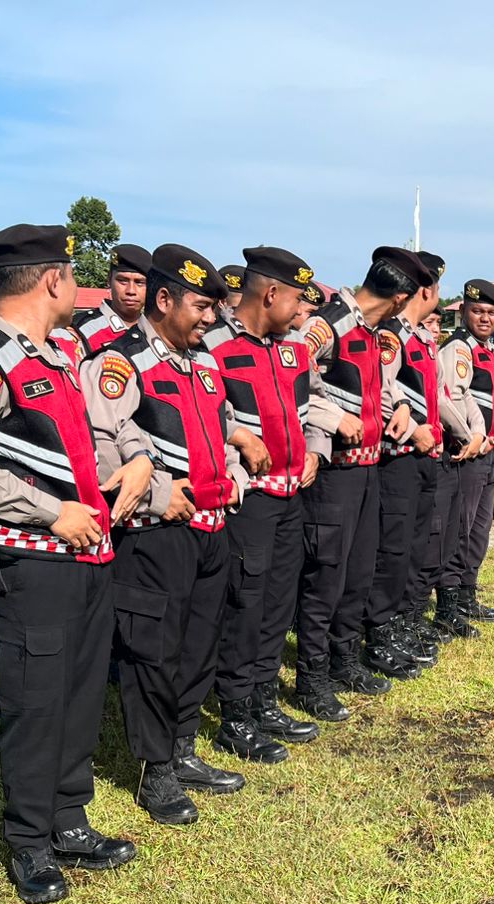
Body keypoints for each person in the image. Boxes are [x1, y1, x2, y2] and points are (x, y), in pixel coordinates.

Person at [0, 223, 138, 904]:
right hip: (31, 562)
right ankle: (28, 841)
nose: (77, 288)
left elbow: (74, 446)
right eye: (74, 276)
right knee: (36, 701)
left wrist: (128, 469)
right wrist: (51, 512)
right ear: (53, 280)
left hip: (88, 553)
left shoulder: (58, 353)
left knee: (77, 696)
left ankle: (69, 819)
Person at [81, 244, 248, 823]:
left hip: (210, 529)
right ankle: (155, 772)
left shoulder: (203, 363)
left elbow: (220, 436)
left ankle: (182, 749)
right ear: (164, 299)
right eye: (202, 306)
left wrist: (234, 472)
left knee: (199, 644)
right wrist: (156, 494)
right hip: (154, 536)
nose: (211, 319)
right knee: (153, 652)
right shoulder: (118, 364)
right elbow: (100, 452)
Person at [288, 247, 424, 719]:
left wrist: (400, 406)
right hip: (334, 472)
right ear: (401, 296)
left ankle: (344, 659)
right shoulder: (327, 325)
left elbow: (378, 388)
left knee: (358, 571)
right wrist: (332, 416)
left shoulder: (369, 332)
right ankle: (311, 676)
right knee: (326, 574)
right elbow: (289, 377)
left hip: (368, 468)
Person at [209, 246, 322, 759]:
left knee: (278, 600)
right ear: (270, 293)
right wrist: (237, 435)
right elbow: (201, 410)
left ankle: (262, 696)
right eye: (296, 298)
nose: (302, 310)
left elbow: (318, 400)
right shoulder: (214, 346)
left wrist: (316, 447)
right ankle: (234, 712)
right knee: (245, 602)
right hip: (248, 501)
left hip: (291, 495)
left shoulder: (295, 348)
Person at [369, 250, 447, 669]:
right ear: (426, 289)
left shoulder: (421, 338)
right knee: (393, 549)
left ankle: (402, 620)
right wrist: (415, 428)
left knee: (415, 546)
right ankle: (381, 631)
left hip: (424, 457)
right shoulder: (392, 335)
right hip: (398, 456)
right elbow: (380, 389)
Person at [434, 279, 494, 633]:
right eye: (477, 311)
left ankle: (467, 594)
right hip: (466, 454)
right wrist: (471, 438)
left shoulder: (489, 351)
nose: (484, 318)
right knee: (459, 529)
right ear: (463, 311)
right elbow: (449, 398)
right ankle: (448, 604)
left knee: (480, 528)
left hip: (489, 453)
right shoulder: (459, 349)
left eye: (491, 313)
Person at [71, 243, 151, 354]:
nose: (131, 291)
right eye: (123, 281)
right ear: (109, 280)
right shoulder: (82, 330)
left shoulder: (154, 333)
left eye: (140, 283)